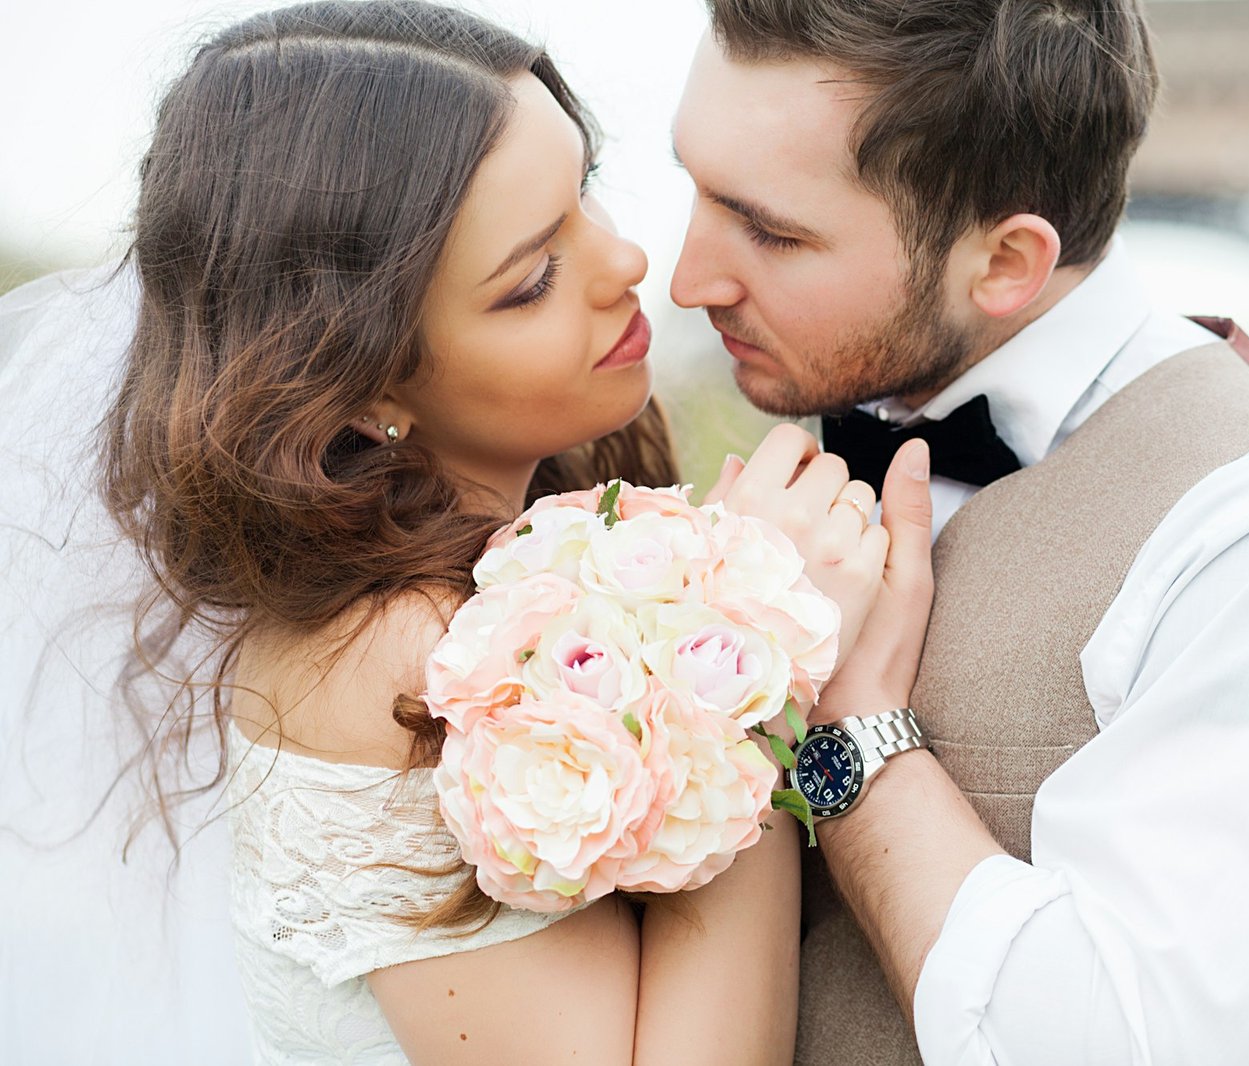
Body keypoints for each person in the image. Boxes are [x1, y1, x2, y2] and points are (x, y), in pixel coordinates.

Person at [669, 2, 1249, 1064]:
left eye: (770, 231)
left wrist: (855, 727)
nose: (685, 278)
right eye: (692, 188)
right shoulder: (740, 477)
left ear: (1006, 263)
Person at [92, 2, 889, 1062]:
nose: (627, 262)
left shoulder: (508, 564)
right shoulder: (395, 656)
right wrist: (757, 664)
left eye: (584, 194)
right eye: (531, 280)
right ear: (364, 382)